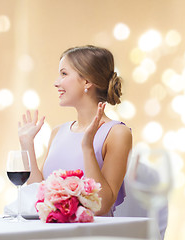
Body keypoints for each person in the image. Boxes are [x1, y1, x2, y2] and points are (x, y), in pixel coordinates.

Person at [18, 45, 132, 216]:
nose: (56, 83)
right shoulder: (58, 132)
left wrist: (87, 147)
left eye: (64, 74)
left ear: (87, 81)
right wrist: (27, 145)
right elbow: (38, 196)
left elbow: (102, 206)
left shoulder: (117, 133)